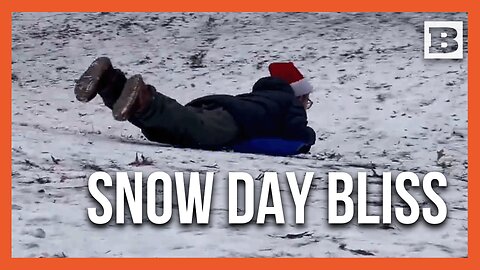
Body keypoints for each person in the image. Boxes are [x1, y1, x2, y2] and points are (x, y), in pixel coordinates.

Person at [74, 57, 316, 155]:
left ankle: (111, 83)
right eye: (306, 100)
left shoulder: (259, 96)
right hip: (233, 124)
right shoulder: (289, 104)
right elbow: (298, 133)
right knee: (190, 127)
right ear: (299, 97)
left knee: (170, 128)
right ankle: (143, 99)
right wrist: (307, 139)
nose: (306, 105)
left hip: (218, 107)